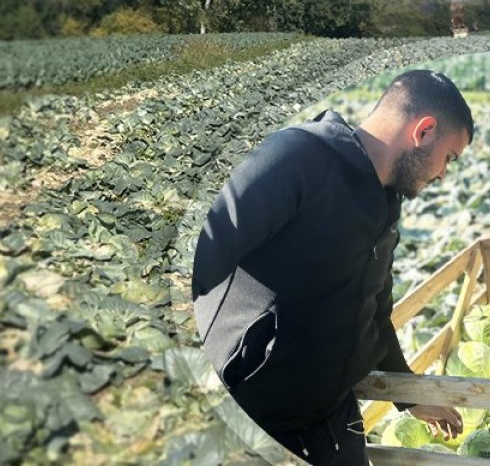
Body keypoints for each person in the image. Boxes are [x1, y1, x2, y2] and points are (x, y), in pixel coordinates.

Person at [191, 69, 471, 465]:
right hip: (255, 420)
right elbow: (200, 256)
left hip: (332, 421)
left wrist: (409, 398)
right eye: (449, 158)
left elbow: (376, 313)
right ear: (423, 131)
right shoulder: (297, 157)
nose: (443, 173)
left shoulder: (386, 204)